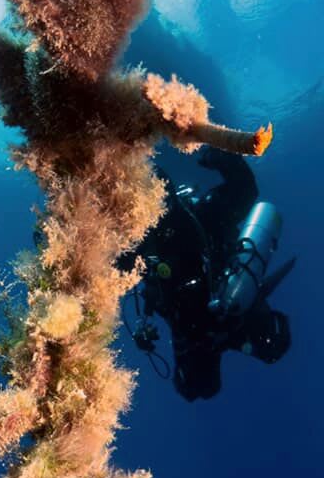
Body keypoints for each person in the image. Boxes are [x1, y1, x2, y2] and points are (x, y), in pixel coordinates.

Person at [124, 145, 293, 401]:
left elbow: (245, 190)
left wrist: (223, 157)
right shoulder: (143, 242)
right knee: (197, 387)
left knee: (268, 348)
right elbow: (106, 270)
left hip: (224, 313)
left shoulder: (202, 216)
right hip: (201, 327)